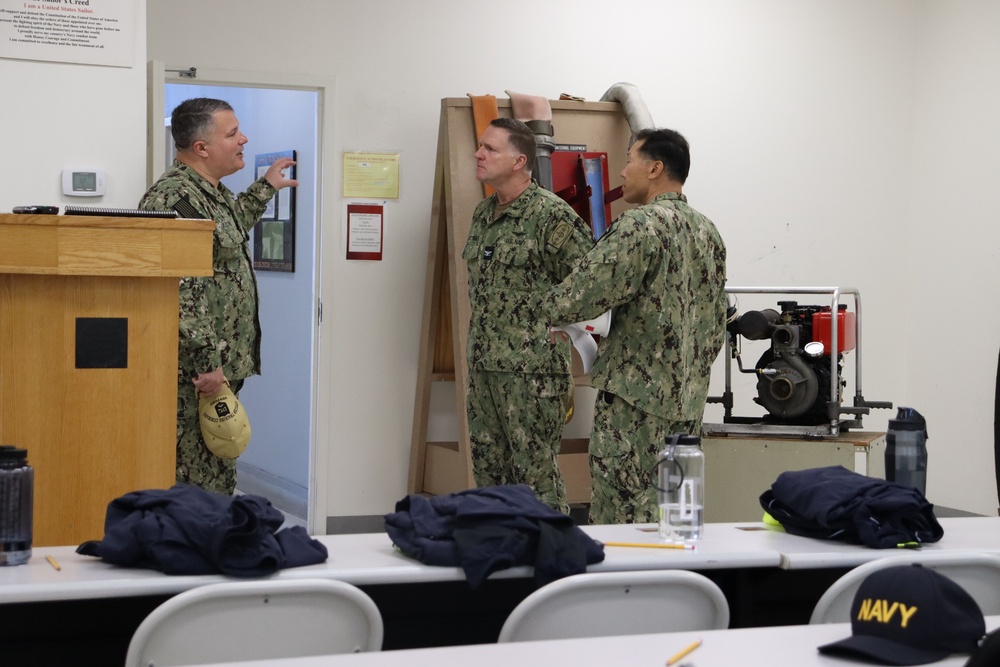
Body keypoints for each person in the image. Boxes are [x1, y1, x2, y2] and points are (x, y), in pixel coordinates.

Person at [542, 128, 727, 524]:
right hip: (687, 406)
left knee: (623, 518)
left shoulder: (639, 227)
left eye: (629, 160)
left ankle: (624, 587)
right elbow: (716, 323)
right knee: (675, 514)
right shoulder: (708, 232)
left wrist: (545, 307)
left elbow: (578, 297)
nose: (622, 172)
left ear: (655, 168)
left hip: (635, 406)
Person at [138, 97, 297, 495]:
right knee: (195, 482)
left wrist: (266, 188)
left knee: (216, 469)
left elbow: (228, 232)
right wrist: (207, 363)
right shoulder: (173, 199)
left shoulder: (210, 192)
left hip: (215, 371)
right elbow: (182, 292)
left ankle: (211, 543)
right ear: (201, 148)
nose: (243, 139)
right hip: (193, 376)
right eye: (232, 133)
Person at [463, 117, 595, 514]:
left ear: (520, 160)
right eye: (480, 146)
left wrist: (568, 331)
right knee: (489, 477)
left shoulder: (551, 216)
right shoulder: (483, 214)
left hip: (532, 373)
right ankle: (499, 561)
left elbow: (590, 283)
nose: (479, 153)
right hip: (484, 369)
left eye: (490, 148)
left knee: (535, 479)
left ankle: (551, 560)